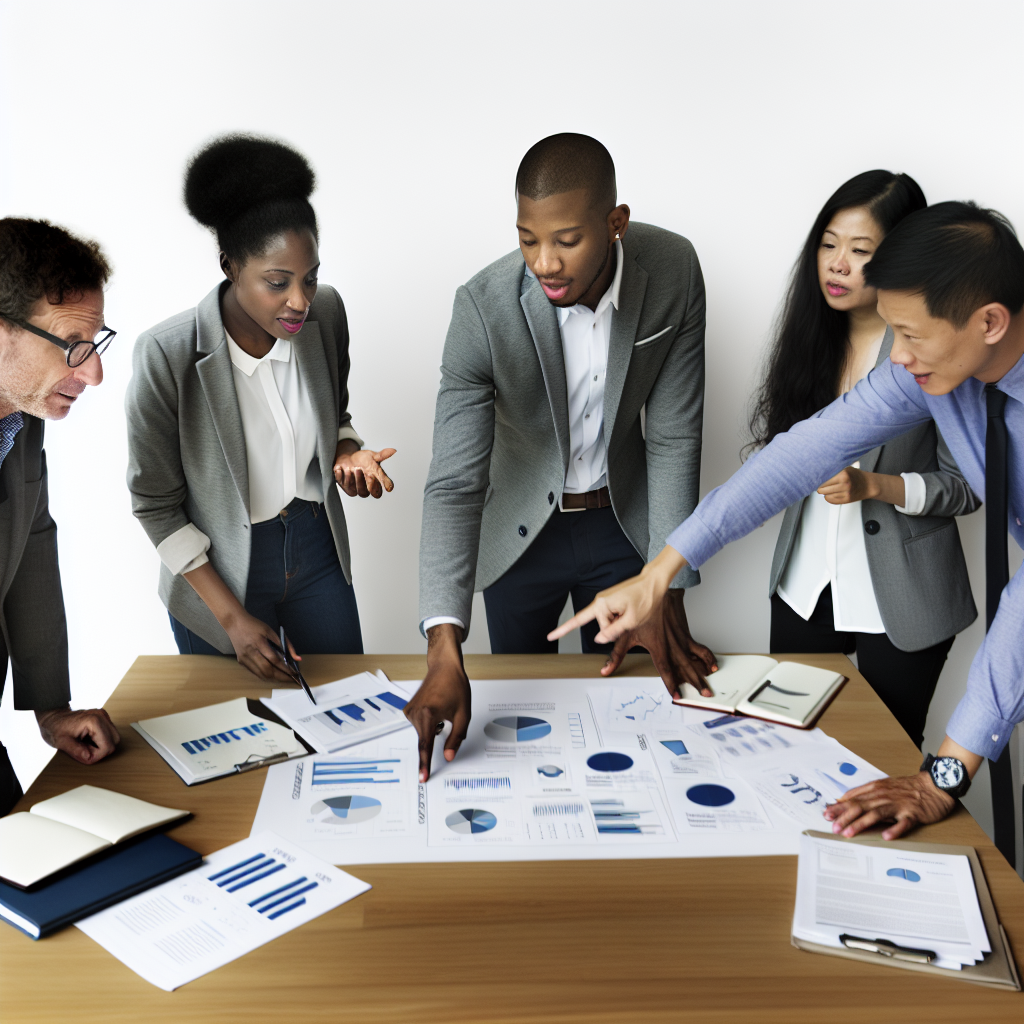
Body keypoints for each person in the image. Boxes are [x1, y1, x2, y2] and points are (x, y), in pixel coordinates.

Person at [553, 200, 1024, 844]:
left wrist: (945, 772)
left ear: (990, 321)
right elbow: (799, 455)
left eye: (912, 336)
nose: (901, 355)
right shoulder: (926, 370)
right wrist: (660, 571)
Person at [409, 133, 714, 781]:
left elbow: (673, 436)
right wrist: (442, 648)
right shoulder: (483, 308)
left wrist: (668, 586)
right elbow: (454, 483)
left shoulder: (674, 268)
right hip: (521, 536)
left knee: (631, 725)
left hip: (624, 527)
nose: (543, 262)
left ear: (615, 225)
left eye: (566, 240)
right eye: (527, 239)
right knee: (520, 720)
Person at [126, 135, 395, 683]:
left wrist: (348, 452)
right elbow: (155, 504)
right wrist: (231, 620)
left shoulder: (326, 314)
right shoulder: (167, 354)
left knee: (349, 704)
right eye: (278, 282)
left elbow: (334, 412)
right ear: (229, 266)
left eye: (310, 277)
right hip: (217, 568)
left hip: (316, 546)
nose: (300, 299)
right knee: (241, 737)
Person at [750, 170, 978, 749]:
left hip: (905, 596)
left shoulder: (934, 349)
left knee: (887, 761)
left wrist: (876, 485)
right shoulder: (808, 341)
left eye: (860, 251)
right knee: (787, 748)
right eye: (828, 245)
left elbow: (965, 487)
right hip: (804, 586)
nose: (837, 264)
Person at [0, 217, 121, 814]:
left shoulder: (20, 426)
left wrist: (51, 708)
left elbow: (30, 550)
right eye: (73, 345)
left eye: (95, 344)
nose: (93, 372)